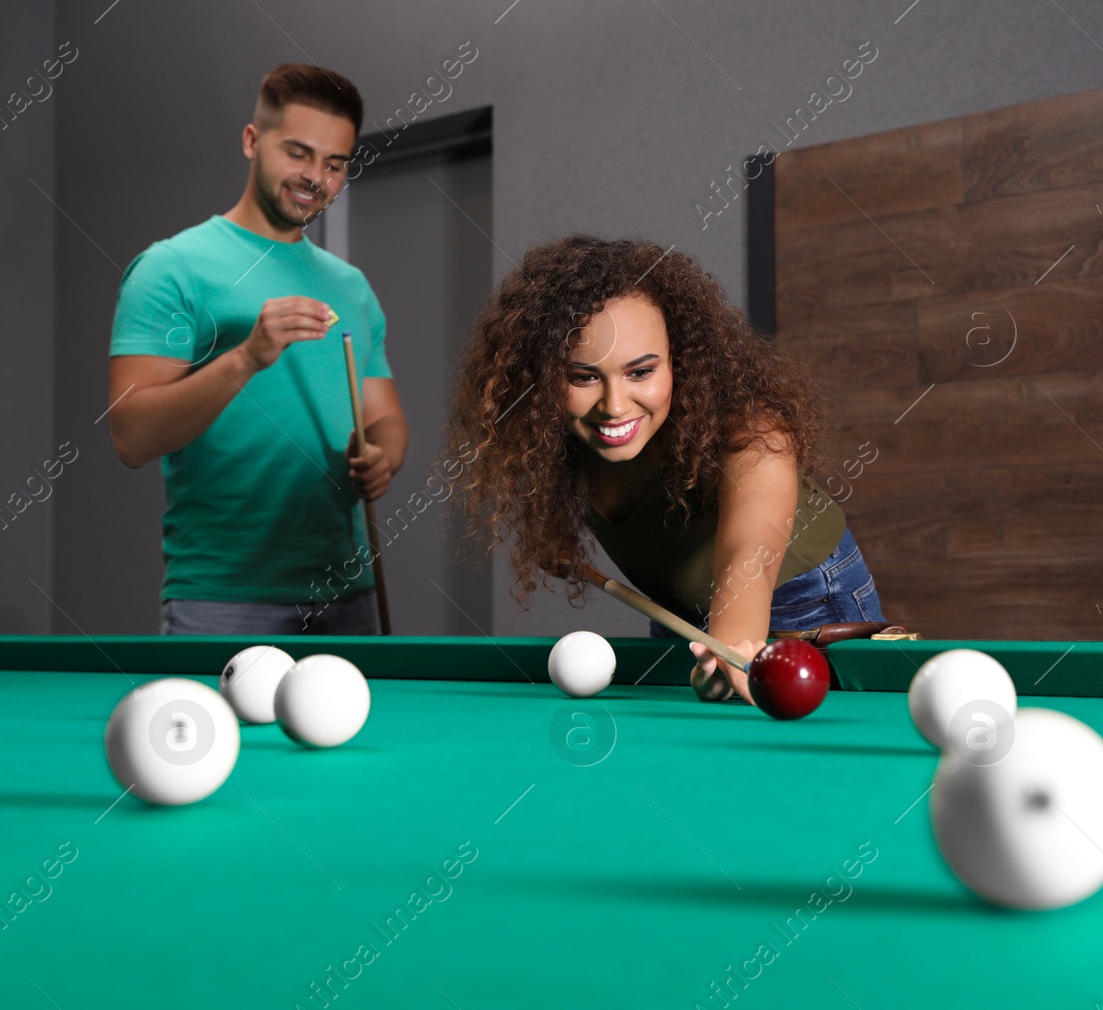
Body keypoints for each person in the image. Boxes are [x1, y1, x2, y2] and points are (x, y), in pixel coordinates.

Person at [448, 235, 885, 704]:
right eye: (583, 376)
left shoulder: (752, 431)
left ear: (681, 360)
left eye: (641, 372)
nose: (614, 406)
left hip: (804, 610)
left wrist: (733, 644)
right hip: (683, 619)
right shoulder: (555, 440)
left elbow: (749, 553)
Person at [106, 64, 407, 636]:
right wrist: (245, 357)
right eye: (298, 152)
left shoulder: (352, 287)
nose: (315, 176)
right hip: (222, 601)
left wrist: (383, 457)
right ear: (252, 141)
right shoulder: (172, 268)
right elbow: (131, 437)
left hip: (348, 595)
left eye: (335, 163)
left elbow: (385, 418)